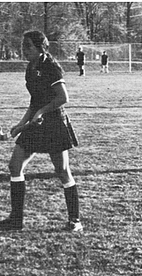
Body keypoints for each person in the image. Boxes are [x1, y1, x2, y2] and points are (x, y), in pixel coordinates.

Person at [0, 30, 83, 232]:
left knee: (62, 171)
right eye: (23, 46)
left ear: (40, 47)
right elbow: (34, 101)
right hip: (36, 125)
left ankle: (75, 221)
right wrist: (20, 125)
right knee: (14, 166)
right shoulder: (30, 67)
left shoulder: (51, 67)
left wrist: (43, 111)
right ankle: (16, 220)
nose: (24, 50)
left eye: (27, 46)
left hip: (54, 123)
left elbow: (63, 98)